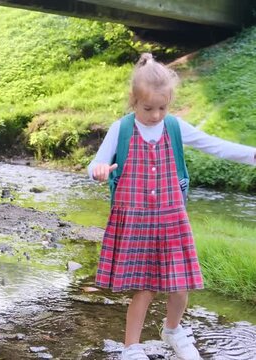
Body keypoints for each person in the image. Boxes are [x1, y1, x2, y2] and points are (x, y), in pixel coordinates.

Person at [87, 53, 256, 360]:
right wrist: (98, 170)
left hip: (171, 220)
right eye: (148, 108)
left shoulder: (174, 127)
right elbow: (97, 163)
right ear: (133, 102)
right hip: (136, 222)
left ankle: (173, 329)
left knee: (180, 285)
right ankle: (131, 347)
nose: (155, 115)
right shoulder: (121, 129)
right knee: (145, 288)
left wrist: (252, 155)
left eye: (162, 108)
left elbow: (213, 144)